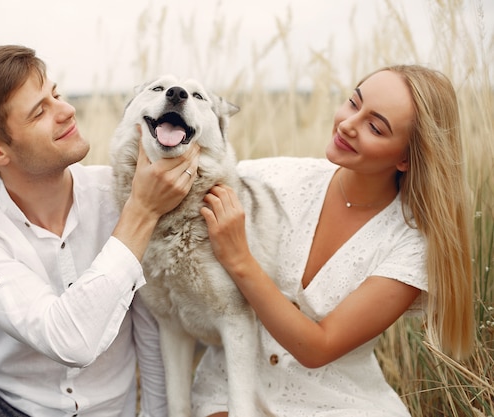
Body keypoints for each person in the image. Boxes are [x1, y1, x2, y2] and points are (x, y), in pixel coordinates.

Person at [0, 45, 200, 416]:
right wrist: (141, 213)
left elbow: (151, 331)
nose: (67, 111)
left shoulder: (119, 193)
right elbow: (70, 340)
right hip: (1, 408)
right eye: (40, 111)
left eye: (55, 94)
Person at [194, 65, 474, 416]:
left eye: (374, 126)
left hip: (339, 404)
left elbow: (318, 348)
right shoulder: (272, 180)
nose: (347, 124)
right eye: (353, 103)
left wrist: (240, 260)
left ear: (405, 157)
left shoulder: (412, 245)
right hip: (232, 391)